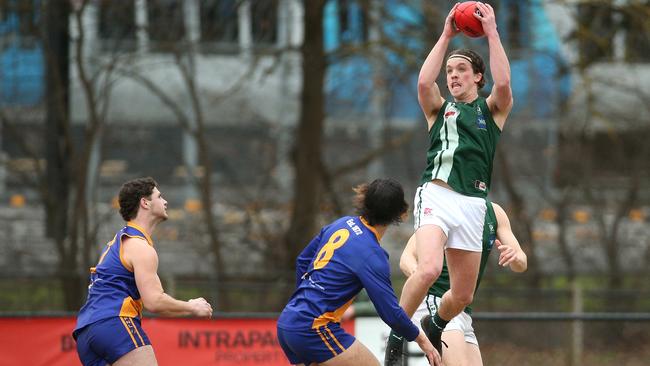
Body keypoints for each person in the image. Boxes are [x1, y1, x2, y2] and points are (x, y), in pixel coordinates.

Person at [393, 1, 514, 358]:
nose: (453, 75)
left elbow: (504, 82)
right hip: (436, 194)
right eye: (450, 70)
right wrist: (446, 34)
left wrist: (492, 32)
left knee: (462, 296)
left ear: (478, 76)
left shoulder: (491, 111)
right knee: (428, 268)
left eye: (461, 69)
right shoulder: (438, 108)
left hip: (473, 204)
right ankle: (397, 338)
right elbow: (423, 81)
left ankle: (436, 325)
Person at [277, 178, 441, 366]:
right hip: (313, 329)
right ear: (402, 214)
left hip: (288, 320)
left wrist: (304, 302)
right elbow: (390, 312)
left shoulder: (341, 224)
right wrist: (423, 341)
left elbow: (302, 261)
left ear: (364, 200)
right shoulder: (373, 255)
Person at [73, 177, 213, 366]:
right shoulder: (140, 247)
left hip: (85, 332)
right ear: (145, 203)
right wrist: (192, 307)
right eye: (159, 196)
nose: (165, 201)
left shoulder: (116, 243)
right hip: (114, 323)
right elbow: (154, 301)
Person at [385, 201, 527, 365]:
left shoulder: (494, 212)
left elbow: (521, 263)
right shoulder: (442, 205)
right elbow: (406, 258)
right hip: (436, 301)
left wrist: (515, 257)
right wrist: (422, 278)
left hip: (461, 308)